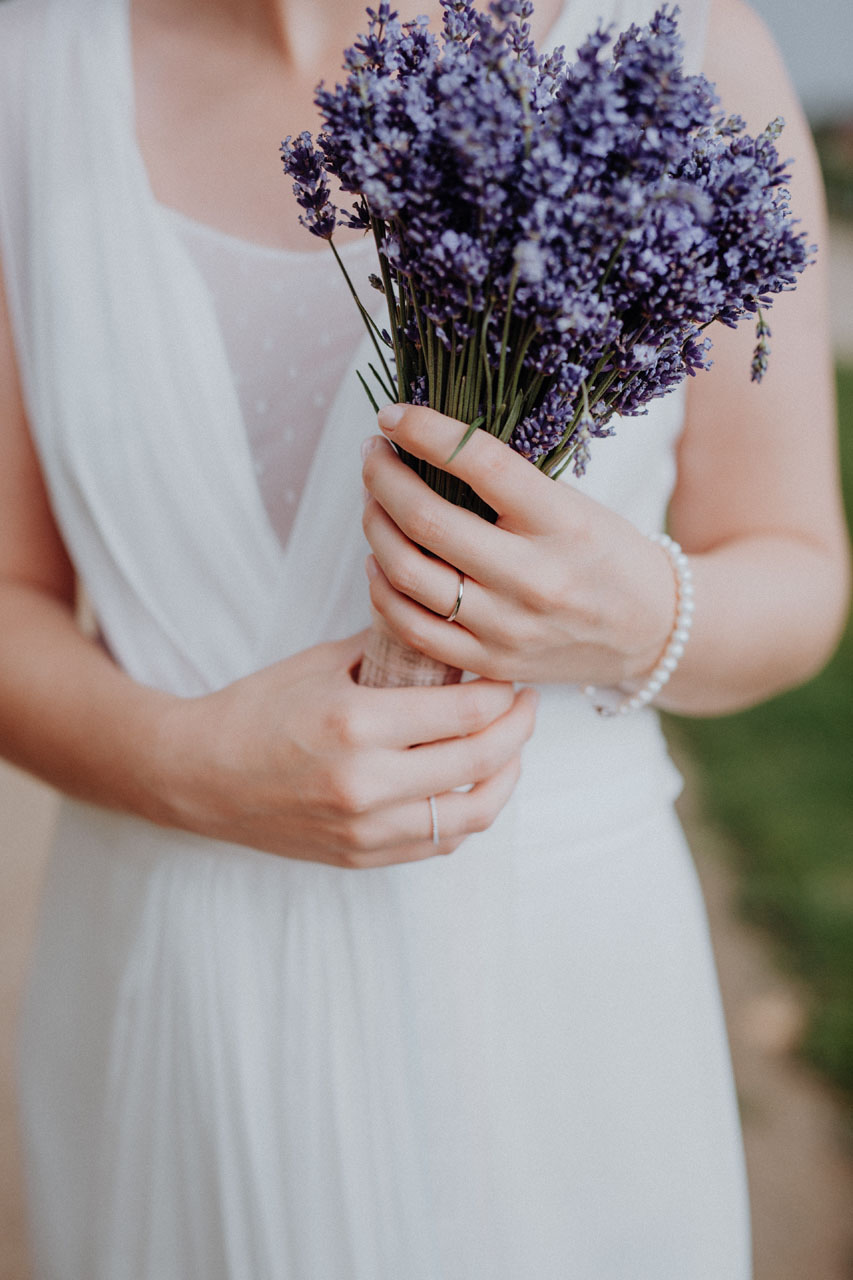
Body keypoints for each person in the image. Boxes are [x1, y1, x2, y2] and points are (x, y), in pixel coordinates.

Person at [0, 0, 847, 1275]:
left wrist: (630, 611)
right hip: (165, 985)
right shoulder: (31, 83)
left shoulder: (675, 46)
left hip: (543, 992)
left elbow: (798, 578)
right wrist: (182, 761)